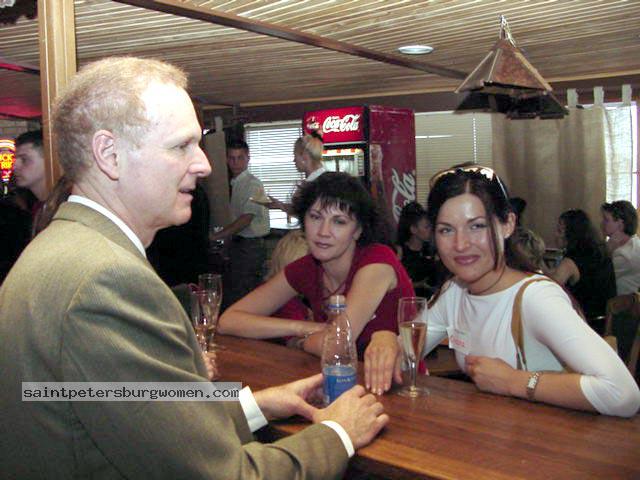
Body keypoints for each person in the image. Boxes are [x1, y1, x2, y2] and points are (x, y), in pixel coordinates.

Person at [0, 56, 388, 479]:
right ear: (110, 154)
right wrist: (339, 432)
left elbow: (125, 412)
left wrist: (254, 405)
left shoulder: (60, 249)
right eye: (181, 146)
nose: (204, 164)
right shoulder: (106, 279)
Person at [364, 165, 640, 417]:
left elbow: (622, 393)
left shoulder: (535, 298)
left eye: (477, 226)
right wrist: (386, 340)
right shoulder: (455, 291)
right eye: (446, 230)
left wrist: (514, 381)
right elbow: (408, 356)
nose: (460, 244)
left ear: (507, 224)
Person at [220, 172, 414, 358]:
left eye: (339, 222)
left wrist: (300, 342)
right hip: (335, 376)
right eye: (315, 217)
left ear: (357, 230)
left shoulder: (377, 260)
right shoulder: (308, 267)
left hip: (401, 378)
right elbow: (228, 321)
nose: (323, 231)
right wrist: (302, 328)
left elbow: (338, 344)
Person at [212, 140, 270, 308]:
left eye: (240, 158)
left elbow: (246, 219)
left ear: (248, 158)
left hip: (251, 247)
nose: (235, 162)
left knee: (242, 296)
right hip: (240, 245)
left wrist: (216, 236)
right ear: (226, 160)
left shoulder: (252, 184)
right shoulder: (236, 183)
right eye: (232, 158)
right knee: (237, 294)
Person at [551, 209, 616, 320]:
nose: (555, 234)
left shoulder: (572, 260)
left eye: (559, 231)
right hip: (605, 319)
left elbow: (551, 288)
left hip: (584, 321)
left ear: (571, 233)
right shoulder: (600, 252)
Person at [395, 201, 446, 297]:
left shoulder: (433, 250)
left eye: (431, 226)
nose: (431, 230)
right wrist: (418, 285)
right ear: (413, 229)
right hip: (408, 300)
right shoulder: (399, 251)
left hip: (431, 301)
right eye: (426, 227)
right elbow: (395, 284)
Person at [601, 200, 640, 294]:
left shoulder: (626, 253)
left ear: (620, 224)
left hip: (621, 302)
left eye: (606, 220)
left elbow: (597, 277)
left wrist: (607, 250)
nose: (602, 223)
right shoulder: (631, 244)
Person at [13, 129, 48, 232]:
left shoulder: (61, 207)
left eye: (24, 159)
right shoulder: (37, 207)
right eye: (14, 160)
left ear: (48, 160)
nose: (14, 167)